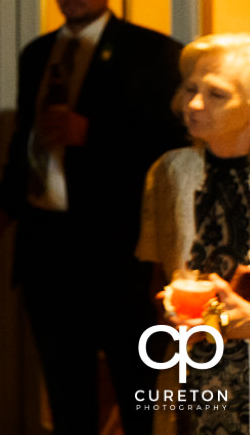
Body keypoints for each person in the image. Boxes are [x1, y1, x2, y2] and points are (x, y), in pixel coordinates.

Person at [0, 0, 187, 435]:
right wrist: (4, 206)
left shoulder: (152, 52)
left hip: (116, 245)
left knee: (135, 378)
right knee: (65, 384)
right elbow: (25, 141)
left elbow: (175, 143)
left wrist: (92, 133)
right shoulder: (38, 54)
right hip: (46, 243)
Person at [138, 33, 250, 434]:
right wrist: (168, 307)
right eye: (190, 89)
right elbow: (161, 272)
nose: (195, 104)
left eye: (217, 94)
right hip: (191, 370)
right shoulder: (171, 171)